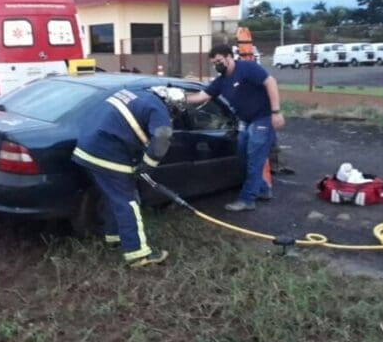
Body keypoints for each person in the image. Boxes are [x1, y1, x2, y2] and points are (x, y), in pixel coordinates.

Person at [72, 86, 185, 268]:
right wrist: (147, 166)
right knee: (128, 201)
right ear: (171, 105)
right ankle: (138, 254)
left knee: (113, 197)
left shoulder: (136, 95)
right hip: (107, 153)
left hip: (87, 148)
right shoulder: (158, 109)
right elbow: (162, 138)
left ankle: (114, 236)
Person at [186, 44, 285, 212]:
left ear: (229, 57)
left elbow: (271, 82)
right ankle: (262, 189)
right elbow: (203, 96)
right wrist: (180, 98)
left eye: (218, 61)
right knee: (243, 157)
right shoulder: (221, 81)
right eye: (213, 63)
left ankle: (247, 200)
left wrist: (276, 112)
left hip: (263, 119)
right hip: (245, 122)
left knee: (255, 160)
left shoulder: (247, 68)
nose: (216, 65)